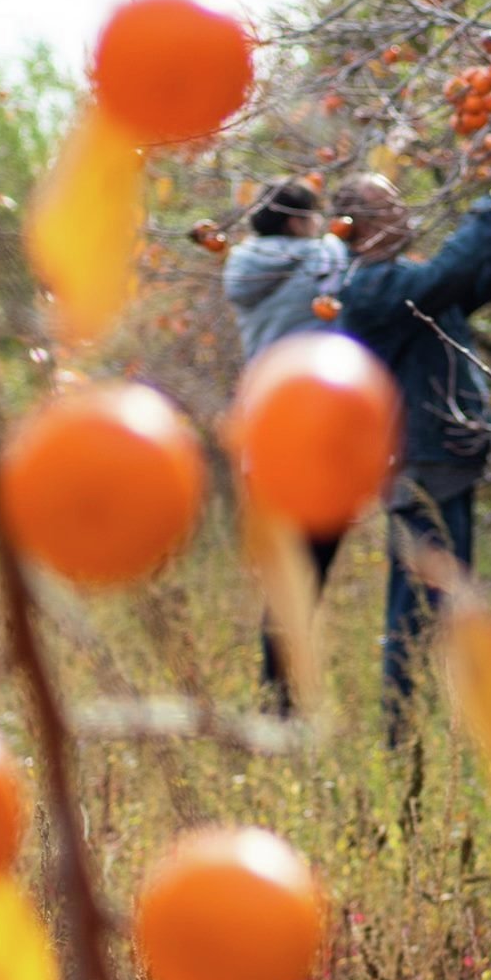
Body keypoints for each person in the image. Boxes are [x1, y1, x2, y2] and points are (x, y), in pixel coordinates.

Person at [330, 170, 491, 742]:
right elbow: (447, 274)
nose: (404, 215)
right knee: (421, 601)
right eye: (389, 207)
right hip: (419, 464)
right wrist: (488, 211)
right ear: (359, 226)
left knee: (441, 597)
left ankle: (424, 728)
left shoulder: (406, 286)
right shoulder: (371, 289)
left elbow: (471, 285)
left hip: (441, 458)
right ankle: (401, 733)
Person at [222, 180, 348, 715]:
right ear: (298, 223)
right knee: (308, 570)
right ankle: (286, 704)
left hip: (261, 436)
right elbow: (340, 257)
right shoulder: (319, 262)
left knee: (285, 574)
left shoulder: (242, 267)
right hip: (311, 438)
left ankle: (278, 697)